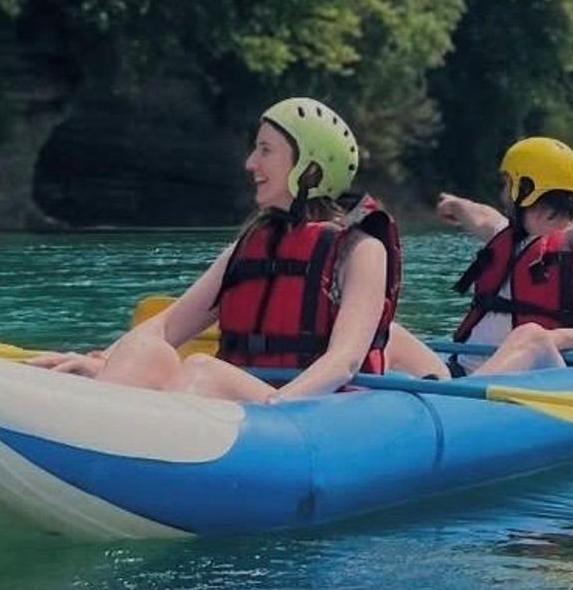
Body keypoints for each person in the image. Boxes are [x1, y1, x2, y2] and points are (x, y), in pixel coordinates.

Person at [29, 97, 399, 402]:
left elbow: (344, 361)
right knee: (146, 346)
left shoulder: (361, 250)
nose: (250, 163)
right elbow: (167, 326)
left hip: (306, 410)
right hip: (236, 400)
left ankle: (125, 449)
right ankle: (93, 428)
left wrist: (280, 405)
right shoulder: (250, 246)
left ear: (310, 170)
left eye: (265, 150)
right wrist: (103, 361)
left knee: (201, 370)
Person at [385, 135, 573, 380]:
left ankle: (464, 406)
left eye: (509, 182)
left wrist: (559, 338)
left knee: (531, 335)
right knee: (389, 333)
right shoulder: (512, 236)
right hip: (462, 376)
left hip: (539, 379)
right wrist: (456, 205)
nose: (503, 193)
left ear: (526, 188)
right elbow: (483, 217)